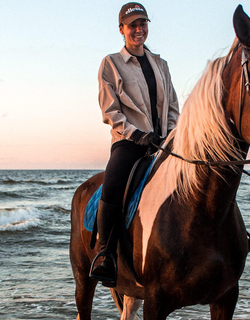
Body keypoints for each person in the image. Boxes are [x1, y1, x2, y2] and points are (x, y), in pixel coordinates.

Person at [89, 2, 179, 287]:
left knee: (203, 173)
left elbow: (173, 106)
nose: (139, 30)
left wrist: (172, 134)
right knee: (114, 182)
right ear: (122, 30)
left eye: (143, 24)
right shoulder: (111, 63)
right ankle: (105, 255)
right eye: (132, 25)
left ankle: (230, 237)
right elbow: (110, 111)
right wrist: (138, 134)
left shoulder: (161, 65)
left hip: (164, 143)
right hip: (129, 143)